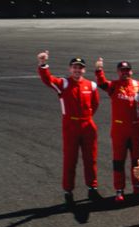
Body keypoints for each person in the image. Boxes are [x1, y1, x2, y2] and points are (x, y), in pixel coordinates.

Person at [37, 51, 100, 203]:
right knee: (70, 160)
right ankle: (68, 191)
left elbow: (95, 104)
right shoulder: (64, 84)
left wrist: (86, 118)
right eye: (74, 67)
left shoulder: (91, 85)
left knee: (90, 159)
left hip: (87, 125)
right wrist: (42, 64)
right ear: (70, 69)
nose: (77, 70)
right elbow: (48, 80)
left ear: (84, 70)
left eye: (80, 68)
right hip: (70, 126)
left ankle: (92, 188)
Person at [94, 58, 139, 201]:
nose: (125, 73)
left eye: (127, 70)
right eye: (122, 71)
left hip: (136, 128)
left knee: (137, 161)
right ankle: (119, 190)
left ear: (131, 71)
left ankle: (138, 187)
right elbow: (102, 83)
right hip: (119, 129)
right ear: (118, 72)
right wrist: (99, 70)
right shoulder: (114, 86)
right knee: (118, 161)